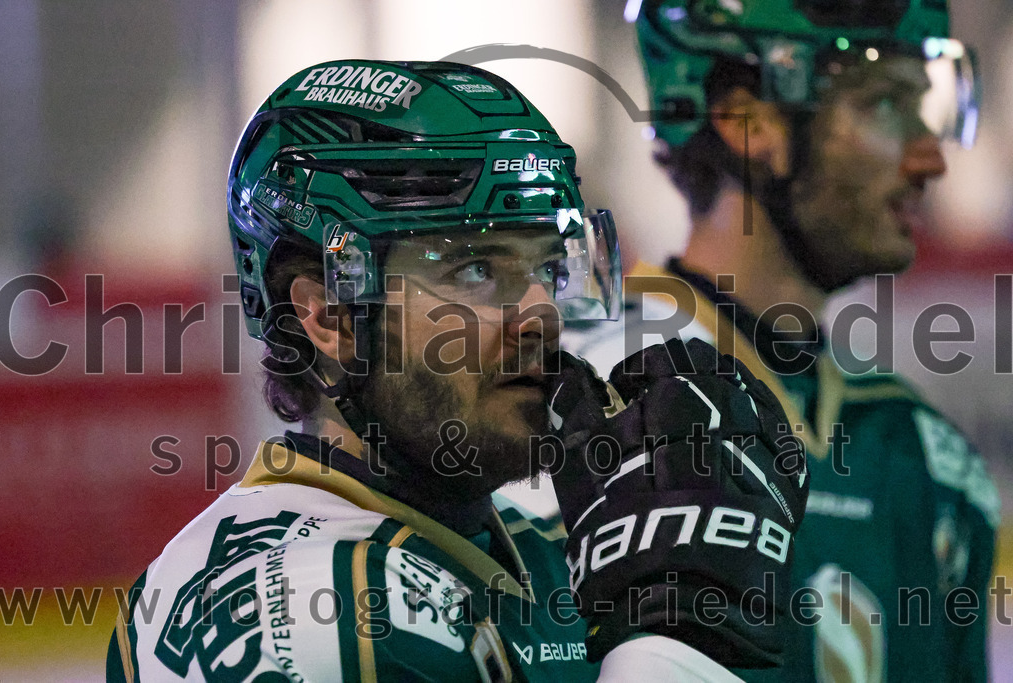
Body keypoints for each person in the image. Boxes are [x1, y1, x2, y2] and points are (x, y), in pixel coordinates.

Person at [105, 59, 806, 681]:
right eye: (477, 268)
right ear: (328, 314)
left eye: (545, 267)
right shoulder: (308, 606)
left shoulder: (536, 546)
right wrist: (673, 647)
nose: (542, 312)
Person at [565, 1, 1001, 680]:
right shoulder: (573, 398)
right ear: (752, 123)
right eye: (886, 103)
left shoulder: (930, 457)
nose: (929, 158)